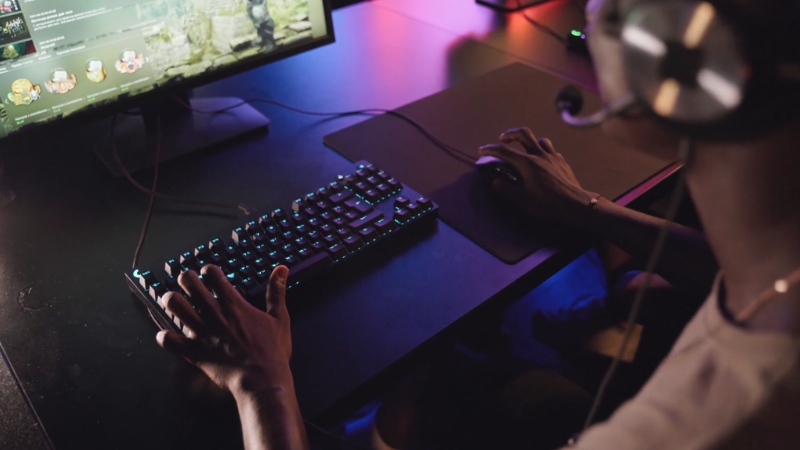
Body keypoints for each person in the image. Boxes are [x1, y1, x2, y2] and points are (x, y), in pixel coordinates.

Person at [154, 0, 800, 448]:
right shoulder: (773, 277)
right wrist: (583, 208)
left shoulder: (707, 428)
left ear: (675, 64)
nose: (588, 15)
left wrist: (261, 383)